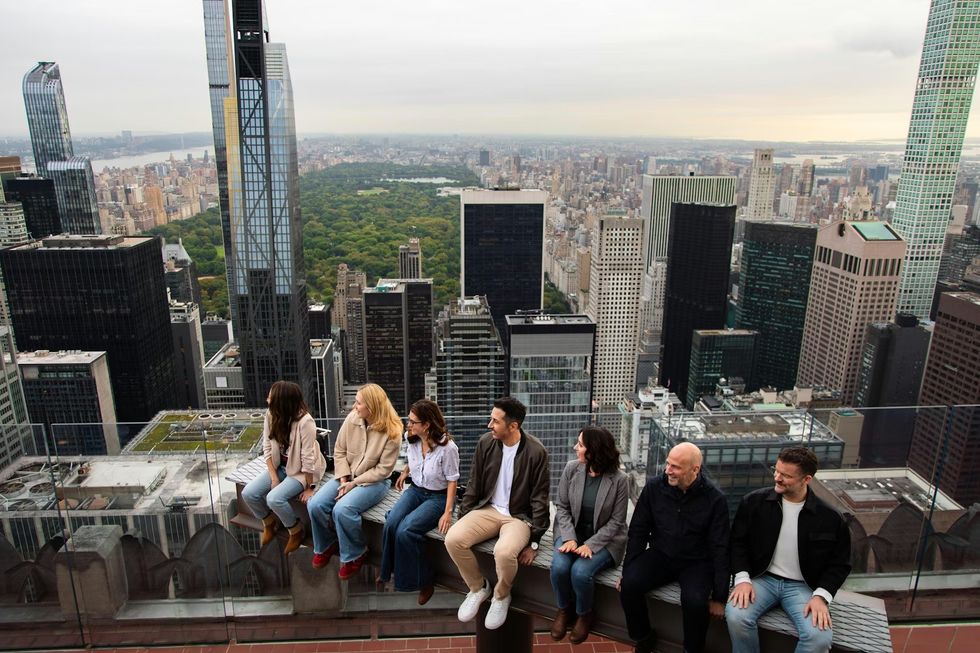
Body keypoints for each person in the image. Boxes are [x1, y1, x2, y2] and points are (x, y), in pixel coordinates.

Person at [725, 447, 851, 653]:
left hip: (804, 587)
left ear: (807, 479)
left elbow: (840, 564)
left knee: (818, 638)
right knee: (737, 617)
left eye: (786, 475)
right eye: (777, 470)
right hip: (761, 579)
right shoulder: (753, 503)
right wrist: (742, 579)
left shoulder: (831, 518)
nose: (777, 477)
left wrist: (821, 597)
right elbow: (737, 543)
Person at [444, 397, 550, 631]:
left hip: (518, 517)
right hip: (487, 509)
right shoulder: (486, 443)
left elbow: (540, 497)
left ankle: (501, 596)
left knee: (503, 553)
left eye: (495, 421)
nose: (489, 425)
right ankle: (478, 587)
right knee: (453, 539)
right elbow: (474, 483)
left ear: (513, 426)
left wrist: (534, 542)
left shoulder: (536, 451)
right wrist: (465, 518)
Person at [619, 442, 729, 653]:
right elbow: (638, 530)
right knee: (630, 586)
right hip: (661, 554)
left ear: (695, 469)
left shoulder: (715, 500)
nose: (668, 470)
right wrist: (628, 570)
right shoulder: (654, 487)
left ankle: (692, 649)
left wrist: (719, 597)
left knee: (696, 603)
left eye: (676, 467)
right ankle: (643, 636)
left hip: (696, 563)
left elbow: (720, 548)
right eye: (668, 463)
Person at [308, 383, 401, 579]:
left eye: (359, 403)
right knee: (315, 504)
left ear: (372, 407)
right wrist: (344, 478)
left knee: (342, 510)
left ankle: (355, 553)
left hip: (375, 482)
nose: (354, 407)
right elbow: (339, 450)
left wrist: (353, 483)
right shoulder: (353, 419)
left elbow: (383, 470)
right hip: (346, 475)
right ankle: (326, 544)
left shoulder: (392, 432)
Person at [549, 426, 629, 645]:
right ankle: (564, 609)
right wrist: (569, 538)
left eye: (581, 445)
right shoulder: (571, 468)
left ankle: (584, 614)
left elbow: (617, 522)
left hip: (605, 541)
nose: (576, 448)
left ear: (593, 451)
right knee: (559, 567)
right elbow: (562, 506)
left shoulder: (620, 480)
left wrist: (591, 545)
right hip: (571, 533)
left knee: (580, 572)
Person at [378, 399, 460, 605]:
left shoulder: (448, 448)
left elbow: (452, 481)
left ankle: (424, 581)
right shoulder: (411, 438)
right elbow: (414, 460)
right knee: (391, 523)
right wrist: (405, 471)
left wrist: (448, 512)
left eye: (413, 422)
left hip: (437, 496)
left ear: (427, 425)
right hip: (415, 490)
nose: (408, 425)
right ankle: (386, 571)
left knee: (406, 531)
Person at [242, 380, 326, 554]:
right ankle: (268, 520)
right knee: (248, 493)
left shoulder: (305, 422)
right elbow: (266, 447)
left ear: (282, 401)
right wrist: (274, 478)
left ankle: (295, 529)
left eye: (271, 397)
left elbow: (308, 459)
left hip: (301, 471)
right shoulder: (271, 415)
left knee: (274, 498)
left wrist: (310, 487)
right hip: (280, 466)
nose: (267, 400)